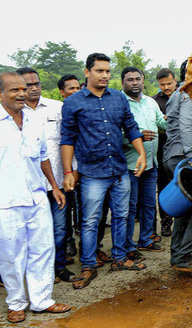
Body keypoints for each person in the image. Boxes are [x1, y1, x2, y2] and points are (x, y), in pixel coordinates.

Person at [60, 53, 148, 289]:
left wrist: (142, 153)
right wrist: (68, 171)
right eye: (100, 71)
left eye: (108, 71)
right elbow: (67, 138)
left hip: (119, 169)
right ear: (87, 72)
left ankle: (120, 258)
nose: (105, 76)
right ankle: (88, 264)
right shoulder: (74, 102)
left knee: (122, 216)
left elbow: (130, 127)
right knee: (90, 221)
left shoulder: (118, 98)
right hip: (91, 173)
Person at [0, 72, 72, 323]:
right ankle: (16, 302)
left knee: (43, 249)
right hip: (4, 200)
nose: (21, 93)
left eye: (23, 89)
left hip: (37, 195)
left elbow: (43, 157)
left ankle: (42, 301)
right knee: (11, 253)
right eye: (13, 90)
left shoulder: (33, 120)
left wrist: (54, 186)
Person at [17, 67, 76, 284]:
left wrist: (72, 171)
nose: (33, 88)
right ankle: (35, 273)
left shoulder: (57, 108)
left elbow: (69, 141)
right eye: (27, 85)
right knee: (31, 233)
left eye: (37, 84)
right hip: (28, 186)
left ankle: (58, 268)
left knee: (60, 229)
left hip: (58, 182)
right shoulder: (13, 113)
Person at [163, 60, 192, 275]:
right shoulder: (190, 94)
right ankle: (183, 256)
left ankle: (178, 255)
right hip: (184, 155)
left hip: (177, 154)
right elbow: (185, 125)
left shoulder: (182, 93)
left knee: (185, 207)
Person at [121, 66, 166, 263]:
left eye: (137, 79)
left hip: (151, 163)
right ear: (123, 82)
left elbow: (161, 123)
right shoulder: (120, 103)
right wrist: (135, 138)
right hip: (130, 165)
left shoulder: (150, 102)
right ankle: (127, 245)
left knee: (149, 204)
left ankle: (146, 239)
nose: (134, 83)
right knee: (130, 207)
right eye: (130, 79)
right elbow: (114, 134)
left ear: (143, 80)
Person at [57, 74, 82, 259]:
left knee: (80, 207)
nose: (74, 91)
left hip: (81, 166)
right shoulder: (57, 111)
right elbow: (65, 142)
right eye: (70, 88)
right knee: (65, 209)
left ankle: (77, 241)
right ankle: (67, 242)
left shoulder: (84, 109)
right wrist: (69, 170)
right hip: (63, 169)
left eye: (77, 88)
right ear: (62, 92)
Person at [153, 67, 179, 237]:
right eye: (162, 85)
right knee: (164, 187)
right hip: (163, 151)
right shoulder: (154, 101)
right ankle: (166, 222)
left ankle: (184, 223)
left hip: (183, 150)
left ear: (175, 81)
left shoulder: (186, 96)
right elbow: (155, 124)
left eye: (169, 83)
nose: (166, 87)